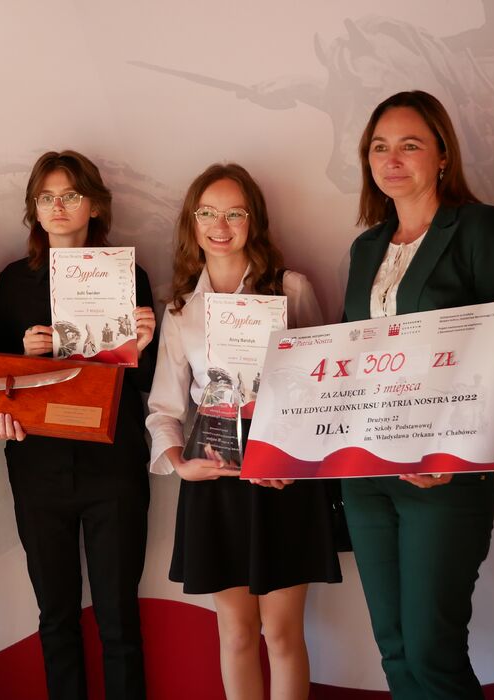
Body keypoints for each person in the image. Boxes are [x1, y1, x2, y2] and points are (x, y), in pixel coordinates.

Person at [145, 163, 341, 700]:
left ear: (254, 220)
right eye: (207, 213)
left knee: (281, 633)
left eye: (235, 213)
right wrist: (179, 464)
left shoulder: (291, 289)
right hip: (216, 474)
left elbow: (323, 388)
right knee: (234, 634)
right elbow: (163, 407)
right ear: (191, 222)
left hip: (283, 475)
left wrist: (292, 461)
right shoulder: (181, 310)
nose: (220, 226)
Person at [342, 90, 494, 698]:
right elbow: (351, 359)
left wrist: (461, 453)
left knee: (433, 653)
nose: (392, 159)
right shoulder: (366, 248)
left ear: (442, 156)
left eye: (410, 145)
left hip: (444, 473)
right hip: (367, 473)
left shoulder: (481, 229)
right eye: (379, 147)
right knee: (396, 650)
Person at [0, 150, 157, 700]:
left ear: (95, 206)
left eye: (70, 195)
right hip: (38, 466)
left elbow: (146, 383)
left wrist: (144, 344)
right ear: (34, 209)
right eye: (46, 197)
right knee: (56, 616)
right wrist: (22, 356)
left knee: (118, 617)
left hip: (113, 464)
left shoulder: (129, 276)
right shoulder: (13, 281)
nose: (57, 207)